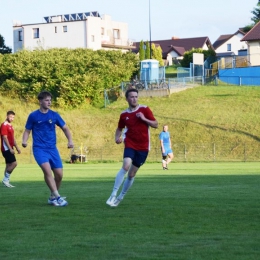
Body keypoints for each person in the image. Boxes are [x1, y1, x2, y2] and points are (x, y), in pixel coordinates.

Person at [106, 88, 158, 207]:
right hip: (130, 143)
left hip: (143, 147)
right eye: (132, 97)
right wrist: (117, 138)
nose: (134, 99)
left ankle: (120, 197)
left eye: (136, 96)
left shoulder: (145, 109)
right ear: (127, 99)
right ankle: (113, 194)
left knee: (131, 174)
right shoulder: (124, 114)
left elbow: (155, 124)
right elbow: (119, 128)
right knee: (126, 165)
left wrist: (144, 119)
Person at [22, 91, 74, 207]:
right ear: (40, 101)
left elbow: (65, 128)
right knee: (47, 170)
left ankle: (52, 197)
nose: (49, 102)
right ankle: (58, 197)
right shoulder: (33, 116)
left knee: (59, 175)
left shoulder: (54, 115)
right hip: (39, 149)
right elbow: (27, 130)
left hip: (52, 149)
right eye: (46, 100)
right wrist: (24, 141)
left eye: (50, 100)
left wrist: (70, 140)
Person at [1, 111, 21, 188]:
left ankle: (6, 182)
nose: (12, 118)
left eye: (13, 117)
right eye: (11, 117)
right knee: (14, 164)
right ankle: (5, 180)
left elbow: (12, 138)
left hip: (10, 147)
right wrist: (10, 148)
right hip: (6, 148)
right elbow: (4, 138)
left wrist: (17, 147)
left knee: (8, 165)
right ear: (7, 116)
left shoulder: (10, 126)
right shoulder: (4, 125)